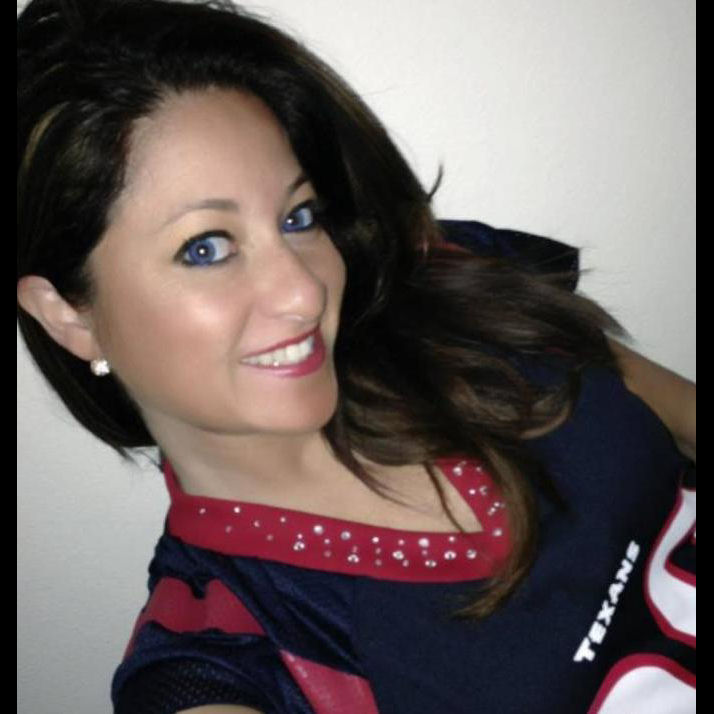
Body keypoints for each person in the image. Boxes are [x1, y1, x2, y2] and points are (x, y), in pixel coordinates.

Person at [17, 1, 696, 712]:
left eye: (297, 217)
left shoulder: (441, 286)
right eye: (206, 248)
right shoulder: (214, 657)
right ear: (68, 315)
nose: (304, 290)